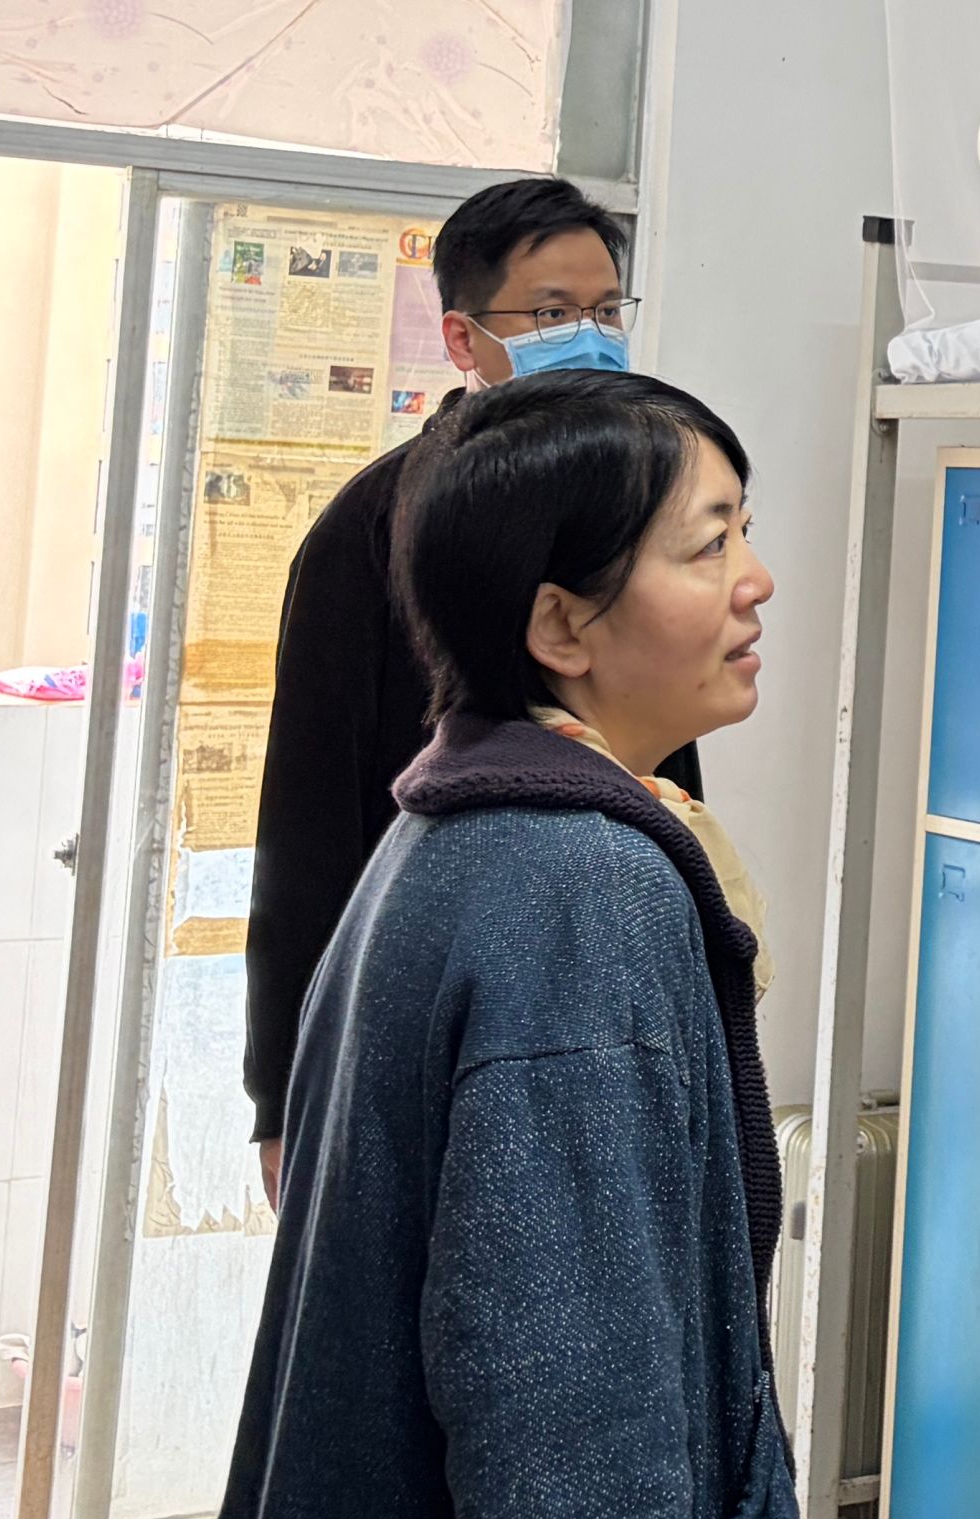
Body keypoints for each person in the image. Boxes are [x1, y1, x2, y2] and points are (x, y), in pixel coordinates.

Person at [196, 370, 815, 1519]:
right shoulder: (578, 892)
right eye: (707, 543)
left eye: (744, 531)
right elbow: (565, 1396)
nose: (757, 580)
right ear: (558, 627)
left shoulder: (458, 824)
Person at [241, 176, 706, 1205]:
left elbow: (668, 772)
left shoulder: (638, 517)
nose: (588, 337)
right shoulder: (374, 528)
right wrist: (284, 1088)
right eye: (551, 314)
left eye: (606, 310)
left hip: (606, 982)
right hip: (425, 990)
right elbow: (307, 820)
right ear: (462, 338)